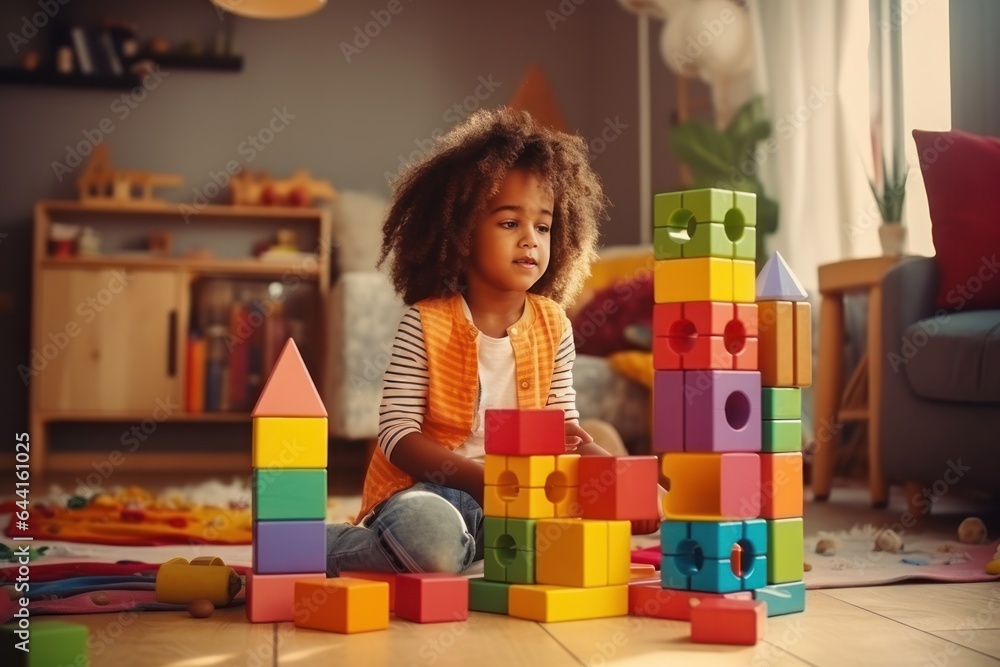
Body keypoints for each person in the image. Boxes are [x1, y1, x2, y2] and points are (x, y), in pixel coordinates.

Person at [326, 107, 655, 577]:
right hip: (429, 495)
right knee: (431, 541)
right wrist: (484, 482)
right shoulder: (425, 322)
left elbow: (565, 432)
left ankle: (466, 555)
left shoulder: (555, 326)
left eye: (542, 226)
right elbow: (397, 435)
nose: (530, 240)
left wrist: (627, 483)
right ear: (460, 232)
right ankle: (320, 545)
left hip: (519, 500)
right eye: (508, 223)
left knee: (581, 541)